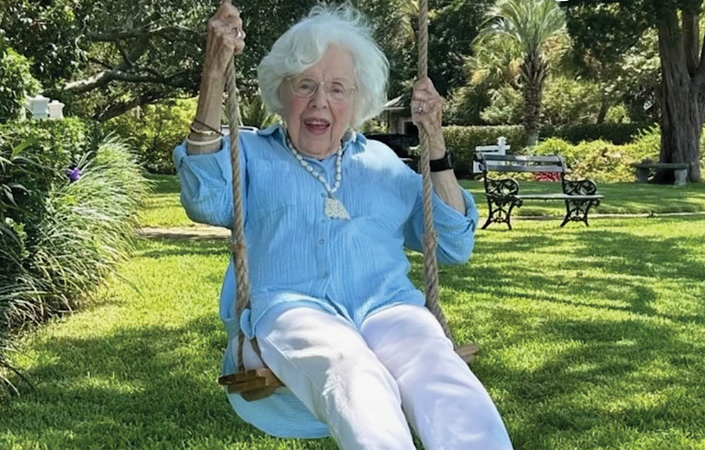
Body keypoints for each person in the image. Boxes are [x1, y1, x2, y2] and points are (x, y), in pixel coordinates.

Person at [174, 3, 513, 449]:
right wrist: (214, 73)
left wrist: (435, 139)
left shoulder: (382, 165)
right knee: (349, 365)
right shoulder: (251, 155)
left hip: (386, 305)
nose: (320, 102)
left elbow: (452, 245)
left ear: (357, 101)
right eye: (305, 85)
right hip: (292, 307)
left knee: (437, 365)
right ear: (282, 90)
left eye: (337, 88)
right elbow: (204, 199)